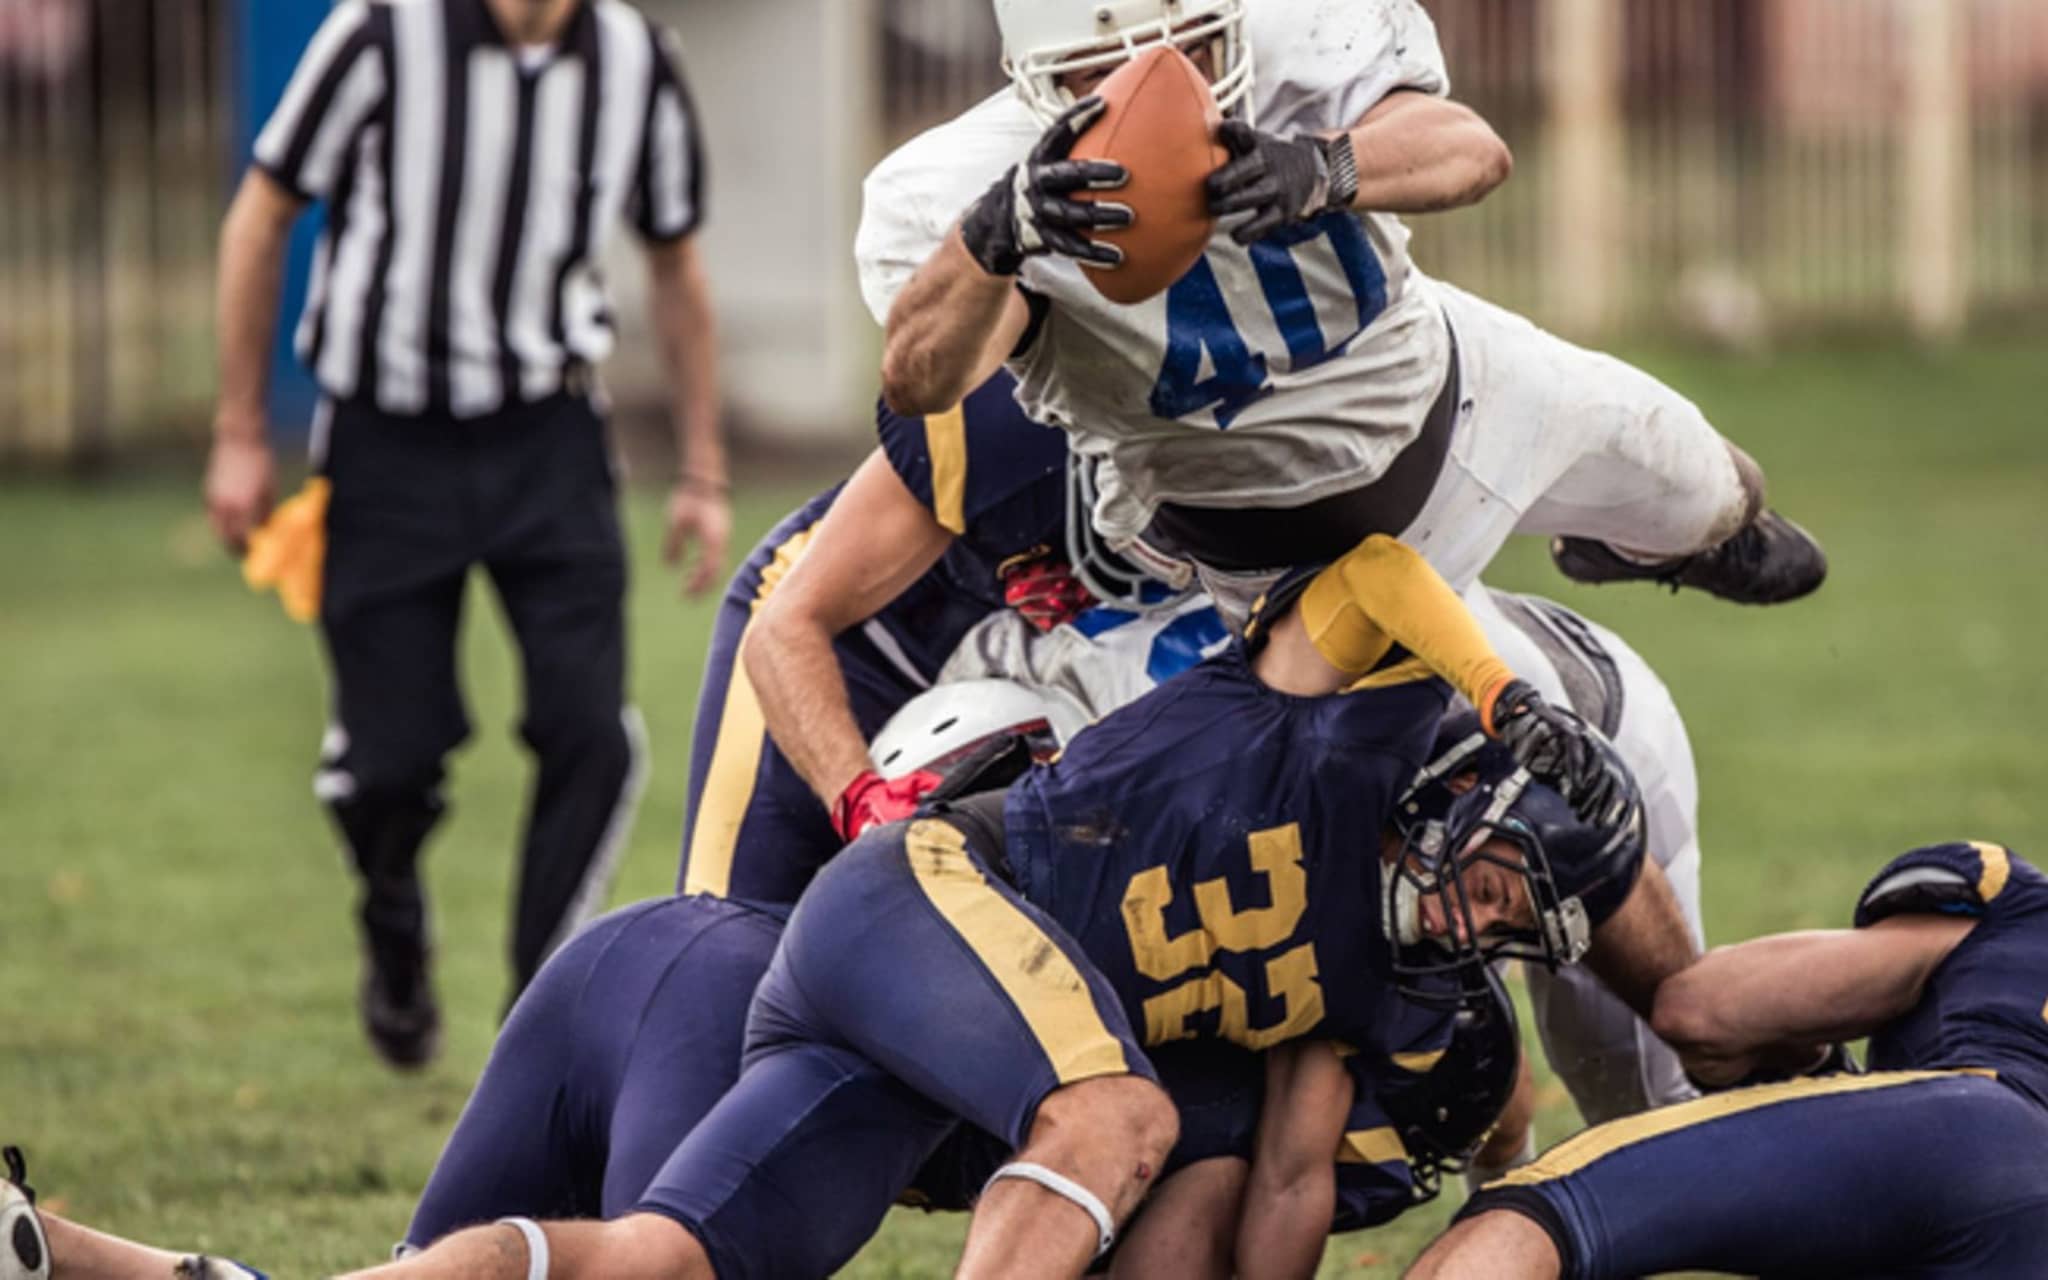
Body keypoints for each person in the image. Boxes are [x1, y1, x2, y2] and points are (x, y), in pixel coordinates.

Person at [360, 619, 1673, 1280]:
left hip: (749, 991)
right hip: (768, 987)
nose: (1470, 928)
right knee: (1114, 1115)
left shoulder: (1275, 971)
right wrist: (1492, 683)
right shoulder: (1275, 802)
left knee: (652, 1264)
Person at [859, 0, 1824, 700]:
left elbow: (1474, 151)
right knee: (1465, 773)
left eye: (1188, 46)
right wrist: (990, 242)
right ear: (1037, 79)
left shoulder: (1298, 40)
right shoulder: (963, 184)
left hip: (1464, 392)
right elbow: (921, 380)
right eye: (1101, 72)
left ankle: (1637, 543)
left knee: (1720, 490)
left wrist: (1328, 165)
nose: (1155, 84)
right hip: (1275, 557)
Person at [202, 0, 728, 1067]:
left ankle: (533, 1027)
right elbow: (261, 210)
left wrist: (703, 469)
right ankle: (392, 922)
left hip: (549, 435)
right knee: (387, 763)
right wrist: (241, 430)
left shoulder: (633, 59)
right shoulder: (378, 36)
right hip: (387, 441)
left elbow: (675, 261)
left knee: (589, 731)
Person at [1407, 839, 2048, 1278]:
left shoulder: (2020, 912)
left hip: (1980, 1131)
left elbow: (1704, 1011)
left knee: (1547, 1212)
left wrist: (1803, 1066)